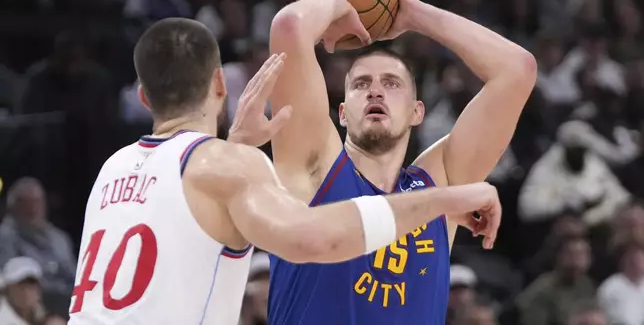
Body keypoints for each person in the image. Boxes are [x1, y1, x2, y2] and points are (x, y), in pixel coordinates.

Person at [67, 18, 502, 324]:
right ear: (222, 84)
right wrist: (448, 199)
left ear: (144, 97)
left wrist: (236, 145)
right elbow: (315, 237)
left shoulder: (113, 169)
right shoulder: (227, 167)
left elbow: (190, 231)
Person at [267, 0, 536, 324]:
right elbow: (290, 26)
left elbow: (518, 70)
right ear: (343, 113)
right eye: (361, 84)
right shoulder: (315, 165)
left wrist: (413, 13)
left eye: (392, 84)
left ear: (417, 112)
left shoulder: (439, 183)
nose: (375, 92)